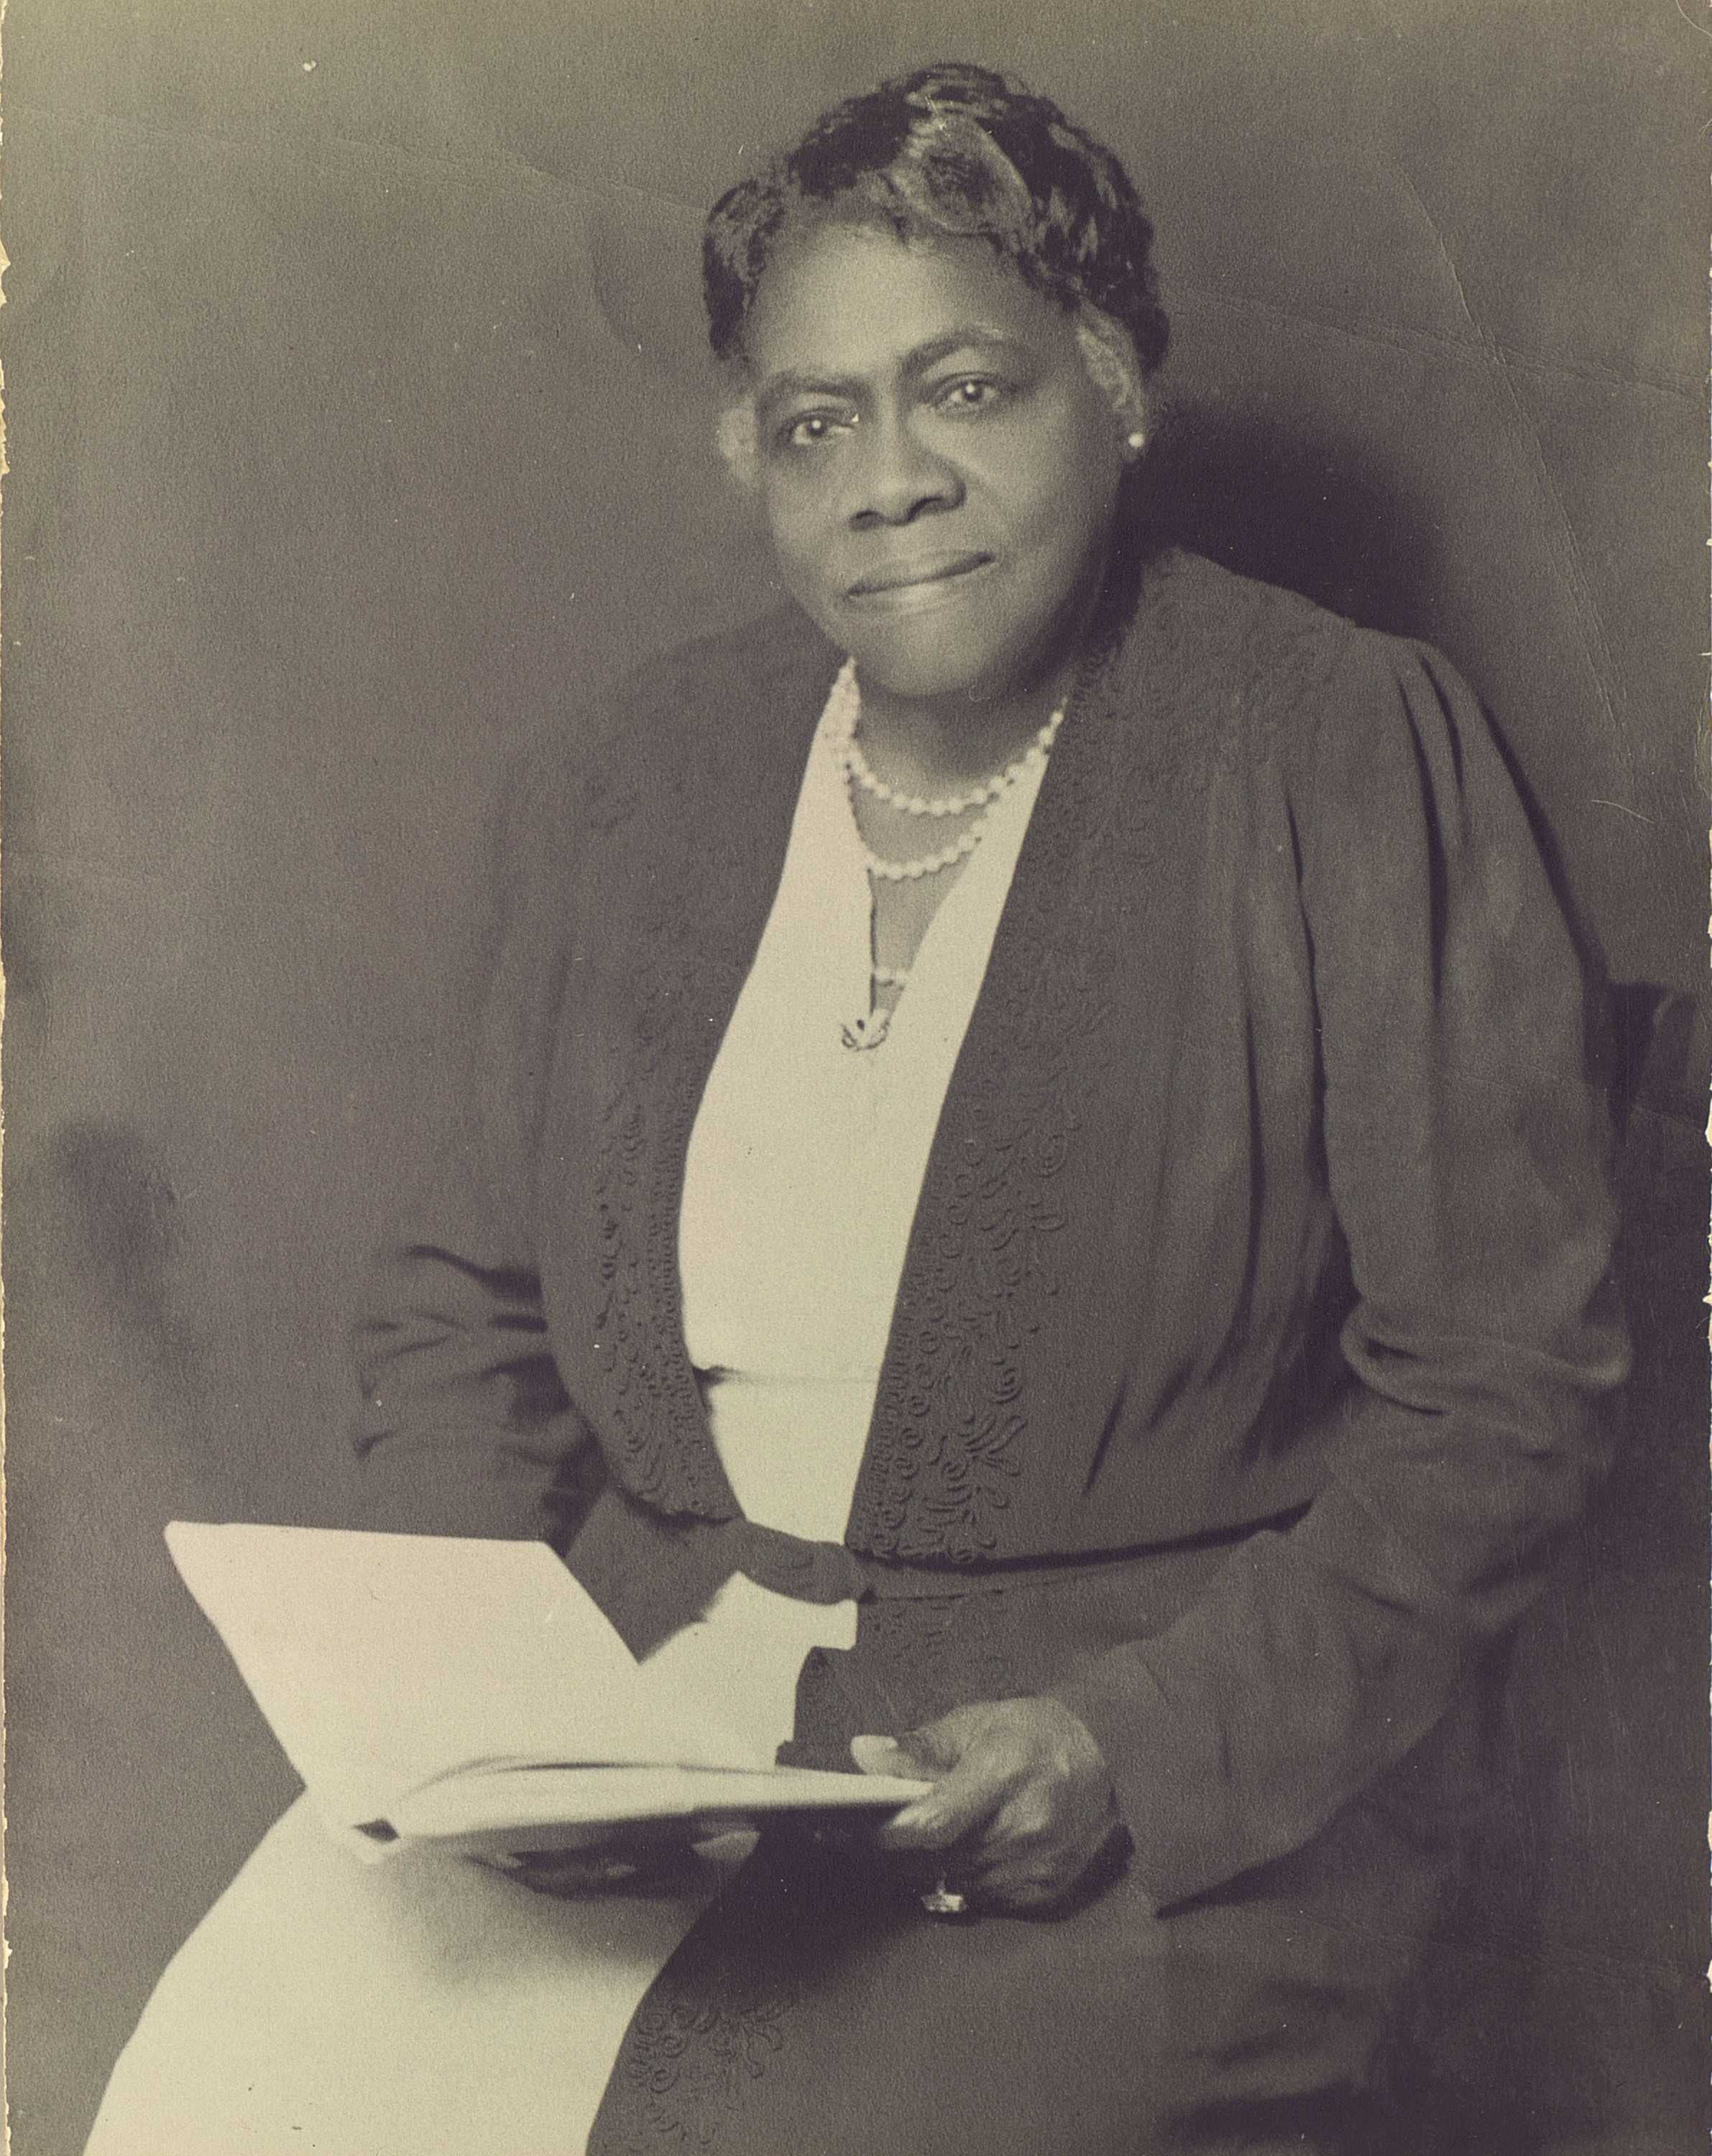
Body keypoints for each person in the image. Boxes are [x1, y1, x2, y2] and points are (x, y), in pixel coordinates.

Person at [88, 60, 1626, 2156]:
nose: (889, 480)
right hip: (631, 1724)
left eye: (967, 390)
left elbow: (1503, 1393)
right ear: (751, 460)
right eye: (818, 424)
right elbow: (471, 1308)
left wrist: (1133, 1752)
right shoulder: (628, 785)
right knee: (243, 2075)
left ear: (1115, 386)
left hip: (1139, 1775)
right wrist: (477, 1729)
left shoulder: (1343, 756)